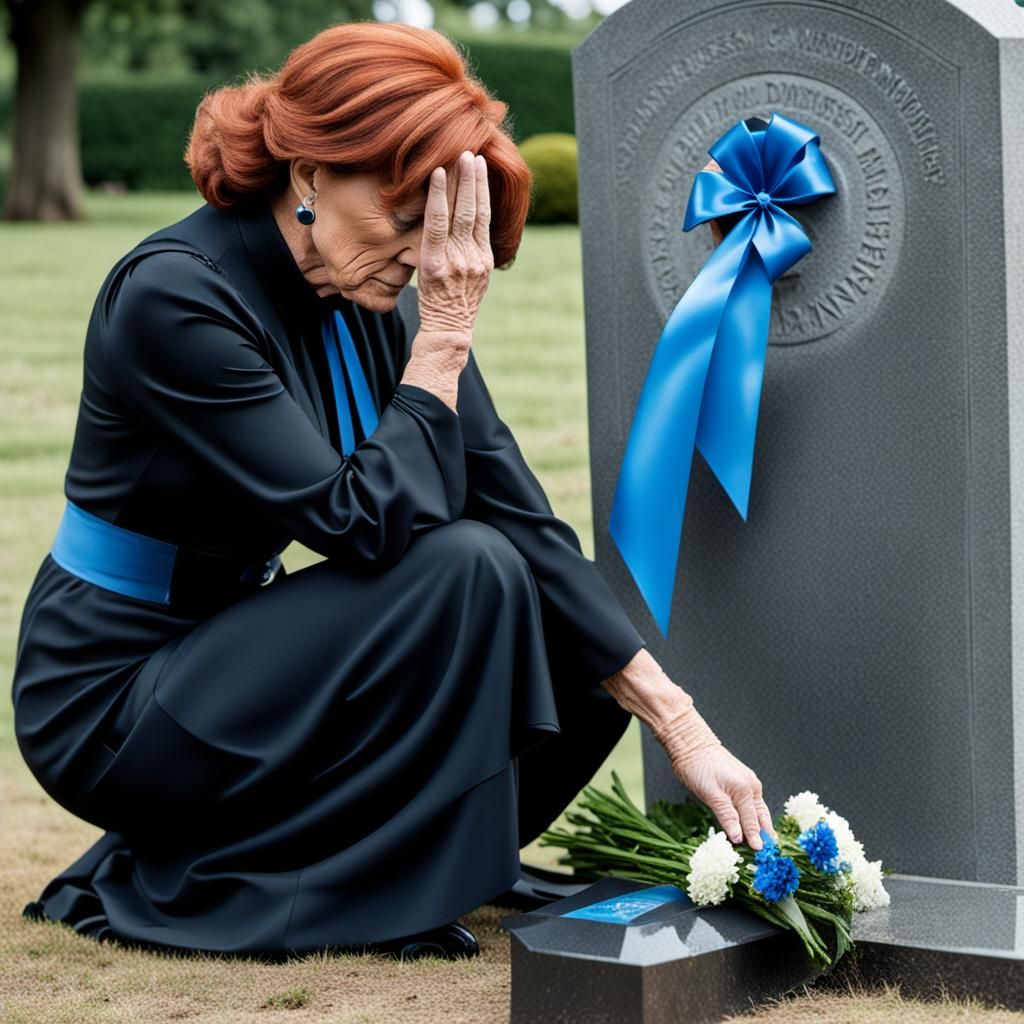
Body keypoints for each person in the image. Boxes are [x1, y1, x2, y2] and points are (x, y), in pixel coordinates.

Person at [10, 22, 775, 963]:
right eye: (407, 222)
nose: (427, 258)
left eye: (441, 231)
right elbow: (355, 523)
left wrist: (675, 718)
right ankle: (305, 881)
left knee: (574, 629)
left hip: (245, 663)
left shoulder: (380, 292)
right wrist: (444, 340)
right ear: (310, 172)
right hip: (113, 696)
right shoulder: (174, 297)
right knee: (465, 569)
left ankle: (401, 865)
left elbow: (520, 514)